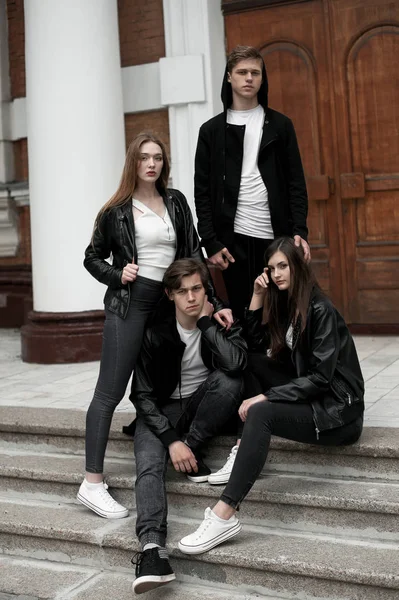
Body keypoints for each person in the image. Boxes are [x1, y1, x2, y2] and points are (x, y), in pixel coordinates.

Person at [77, 133, 232, 520]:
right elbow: (91, 257)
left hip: (169, 300)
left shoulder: (175, 201)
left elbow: (193, 256)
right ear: (134, 162)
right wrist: (116, 273)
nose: (152, 164)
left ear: (164, 163)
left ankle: (176, 443)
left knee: (166, 375)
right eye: (145, 157)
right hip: (131, 302)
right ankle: (92, 483)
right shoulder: (115, 210)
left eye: (158, 158)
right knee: (109, 391)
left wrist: (217, 304)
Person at [178, 237, 364, 555]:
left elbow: (320, 378)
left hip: (337, 411)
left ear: (297, 267)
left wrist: (266, 398)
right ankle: (242, 448)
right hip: (312, 395)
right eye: (273, 267)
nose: (277, 274)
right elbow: (255, 345)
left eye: (284, 266)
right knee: (250, 362)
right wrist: (256, 296)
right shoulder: (287, 302)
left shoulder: (320, 309)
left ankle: (224, 515)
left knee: (261, 413)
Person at [130, 258, 246, 594]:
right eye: (182, 291)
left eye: (197, 289)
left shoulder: (220, 322)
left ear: (206, 291)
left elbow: (236, 366)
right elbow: (141, 395)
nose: (191, 297)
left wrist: (208, 323)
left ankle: (192, 446)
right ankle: (152, 550)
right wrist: (170, 440)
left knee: (228, 381)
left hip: (200, 405)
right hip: (159, 411)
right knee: (149, 465)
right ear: (170, 295)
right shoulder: (154, 331)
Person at [194, 45, 310, 323]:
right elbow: (203, 191)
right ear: (229, 77)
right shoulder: (211, 131)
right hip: (233, 242)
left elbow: (296, 182)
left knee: (283, 313)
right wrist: (210, 240)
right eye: (242, 72)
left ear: (262, 78)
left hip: (277, 235)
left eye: (255, 73)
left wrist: (299, 230)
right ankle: (247, 367)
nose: (249, 78)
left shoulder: (280, 126)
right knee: (243, 313)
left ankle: (282, 367)